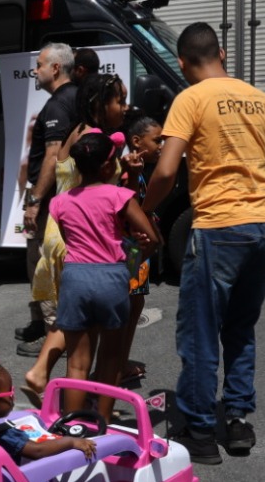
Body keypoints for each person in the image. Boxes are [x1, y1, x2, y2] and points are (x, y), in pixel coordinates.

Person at [142, 22, 265, 464]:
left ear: (182, 62)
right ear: (221, 53)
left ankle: (200, 431)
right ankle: (238, 421)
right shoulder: (262, 100)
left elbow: (167, 171)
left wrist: (143, 210)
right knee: (240, 328)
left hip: (218, 228)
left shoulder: (190, 99)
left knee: (200, 333)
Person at [23, 73, 129, 403]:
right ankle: (72, 396)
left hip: (62, 229)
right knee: (85, 319)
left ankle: (43, 373)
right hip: (81, 236)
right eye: (120, 100)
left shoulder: (77, 132)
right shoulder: (97, 140)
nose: (125, 107)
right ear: (101, 104)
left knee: (74, 315)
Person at [48, 131, 160, 414]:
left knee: (76, 362)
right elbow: (151, 238)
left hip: (75, 278)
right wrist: (133, 262)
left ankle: (72, 426)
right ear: (110, 166)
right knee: (110, 359)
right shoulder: (120, 196)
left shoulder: (60, 201)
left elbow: (68, 240)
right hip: (112, 277)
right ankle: (103, 422)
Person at [17, 42, 77, 357]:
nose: (35, 71)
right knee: (42, 262)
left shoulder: (58, 104)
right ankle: (43, 324)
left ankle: (55, 335)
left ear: (55, 68)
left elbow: (53, 156)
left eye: (39, 65)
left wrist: (36, 200)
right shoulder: (74, 98)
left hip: (52, 200)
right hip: (63, 197)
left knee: (46, 264)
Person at [0, 353, 101, 464]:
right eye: (10, 392)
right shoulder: (0, 433)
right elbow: (38, 450)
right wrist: (71, 442)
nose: (13, 396)